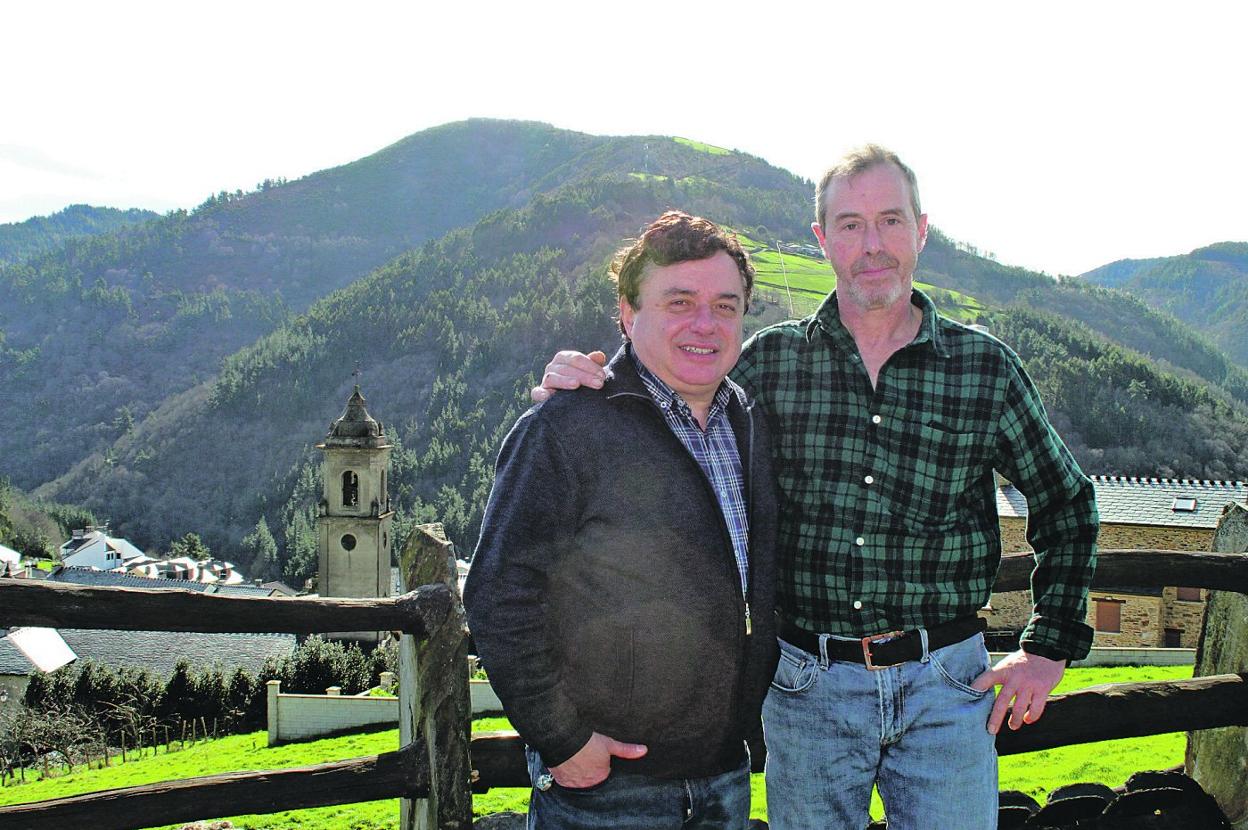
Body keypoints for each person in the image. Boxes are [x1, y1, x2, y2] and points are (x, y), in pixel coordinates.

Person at [531, 146, 1099, 829]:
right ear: (822, 240)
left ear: (921, 230)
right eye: (851, 225)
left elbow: (1066, 501)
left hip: (947, 684)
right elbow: (668, 400)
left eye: (890, 221)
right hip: (807, 685)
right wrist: (585, 381)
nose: (873, 245)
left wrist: (1047, 647)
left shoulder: (985, 369)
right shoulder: (769, 363)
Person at [465, 210, 780, 830]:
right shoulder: (567, 428)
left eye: (725, 305)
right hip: (607, 790)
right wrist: (563, 740)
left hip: (723, 778)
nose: (704, 323)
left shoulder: (744, 421)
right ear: (628, 314)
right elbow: (498, 594)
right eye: (680, 301)